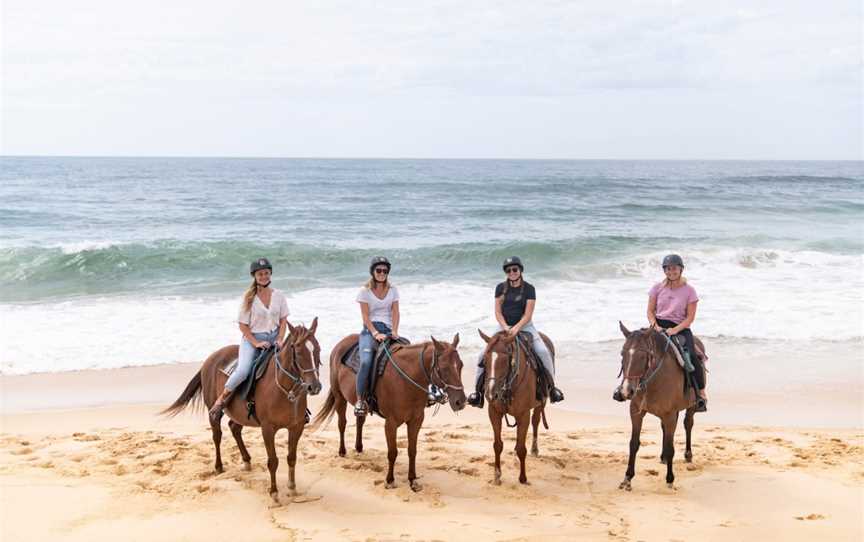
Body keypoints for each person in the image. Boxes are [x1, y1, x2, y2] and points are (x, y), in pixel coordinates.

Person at [467, 256, 564, 408]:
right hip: (503, 326)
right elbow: (498, 312)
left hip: (525, 326)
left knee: (543, 352)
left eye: (514, 269)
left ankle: (552, 389)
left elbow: (528, 315)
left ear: (520, 270)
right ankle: (477, 394)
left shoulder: (529, 289)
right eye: (508, 270)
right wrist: (506, 327)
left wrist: (516, 328)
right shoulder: (500, 288)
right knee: (482, 355)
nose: (511, 272)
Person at [209, 258, 289, 420]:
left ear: (270, 274)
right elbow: (243, 326)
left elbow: (283, 320)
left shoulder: (279, 295)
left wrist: (280, 338)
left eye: (266, 273)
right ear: (255, 276)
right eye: (260, 274)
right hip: (252, 339)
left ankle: (299, 408)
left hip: (275, 337)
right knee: (243, 370)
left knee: (294, 364)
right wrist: (256, 343)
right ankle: (222, 399)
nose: (264, 276)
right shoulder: (249, 298)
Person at [648, 254, 707, 412]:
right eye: (668, 268)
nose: (671, 271)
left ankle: (700, 393)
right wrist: (655, 326)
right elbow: (650, 311)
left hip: (681, 327)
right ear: (664, 270)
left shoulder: (690, 291)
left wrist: (675, 330)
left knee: (693, 357)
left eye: (674, 268)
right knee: (637, 351)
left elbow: (690, 318)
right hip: (658, 325)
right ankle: (629, 388)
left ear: (681, 269)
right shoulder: (657, 288)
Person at [354, 256, 400, 417]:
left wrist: (394, 331)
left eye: (385, 271)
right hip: (370, 330)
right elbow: (365, 317)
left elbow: (395, 312)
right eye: (379, 270)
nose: (382, 273)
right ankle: (360, 400)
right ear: (373, 271)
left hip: (388, 330)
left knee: (409, 354)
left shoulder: (393, 289)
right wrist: (375, 333)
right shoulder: (364, 291)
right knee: (366, 362)